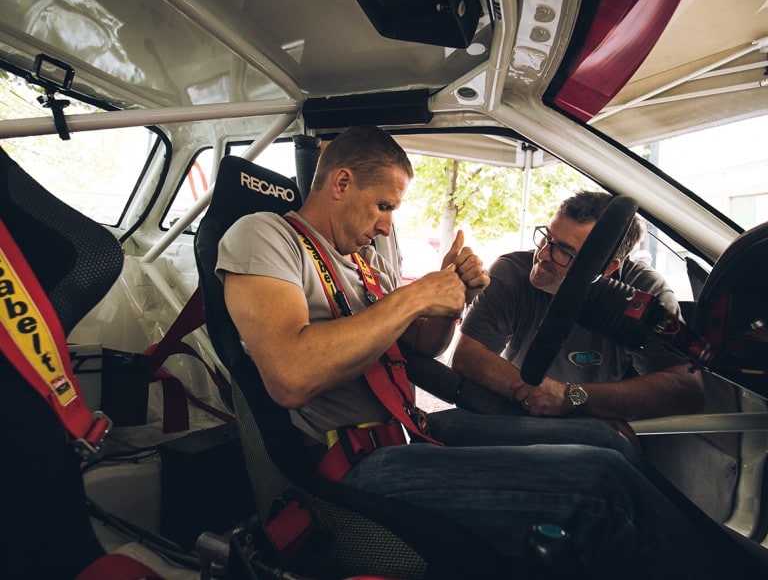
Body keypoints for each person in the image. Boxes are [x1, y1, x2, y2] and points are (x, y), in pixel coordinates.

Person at [216, 126, 728, 577]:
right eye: (384, 206)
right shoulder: (266, 235)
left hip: (409, 430)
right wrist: (416, 295)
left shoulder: (366, 261)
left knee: (604, 441)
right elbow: (291, 376)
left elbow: (421, 346)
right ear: (342, 183)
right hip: (352, 459)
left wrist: (450, 299)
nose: (387, 226)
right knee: (600, 482)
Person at [451, 191, 705, 421]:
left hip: (596, 424)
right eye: (547, 237)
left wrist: (569, 398)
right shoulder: (512, 271)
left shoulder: (644, 290)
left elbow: (686, 388)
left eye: (564, 251)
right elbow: (466, 355)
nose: (542, 255)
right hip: (521, 416)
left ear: (608, 268)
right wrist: (534, 393)